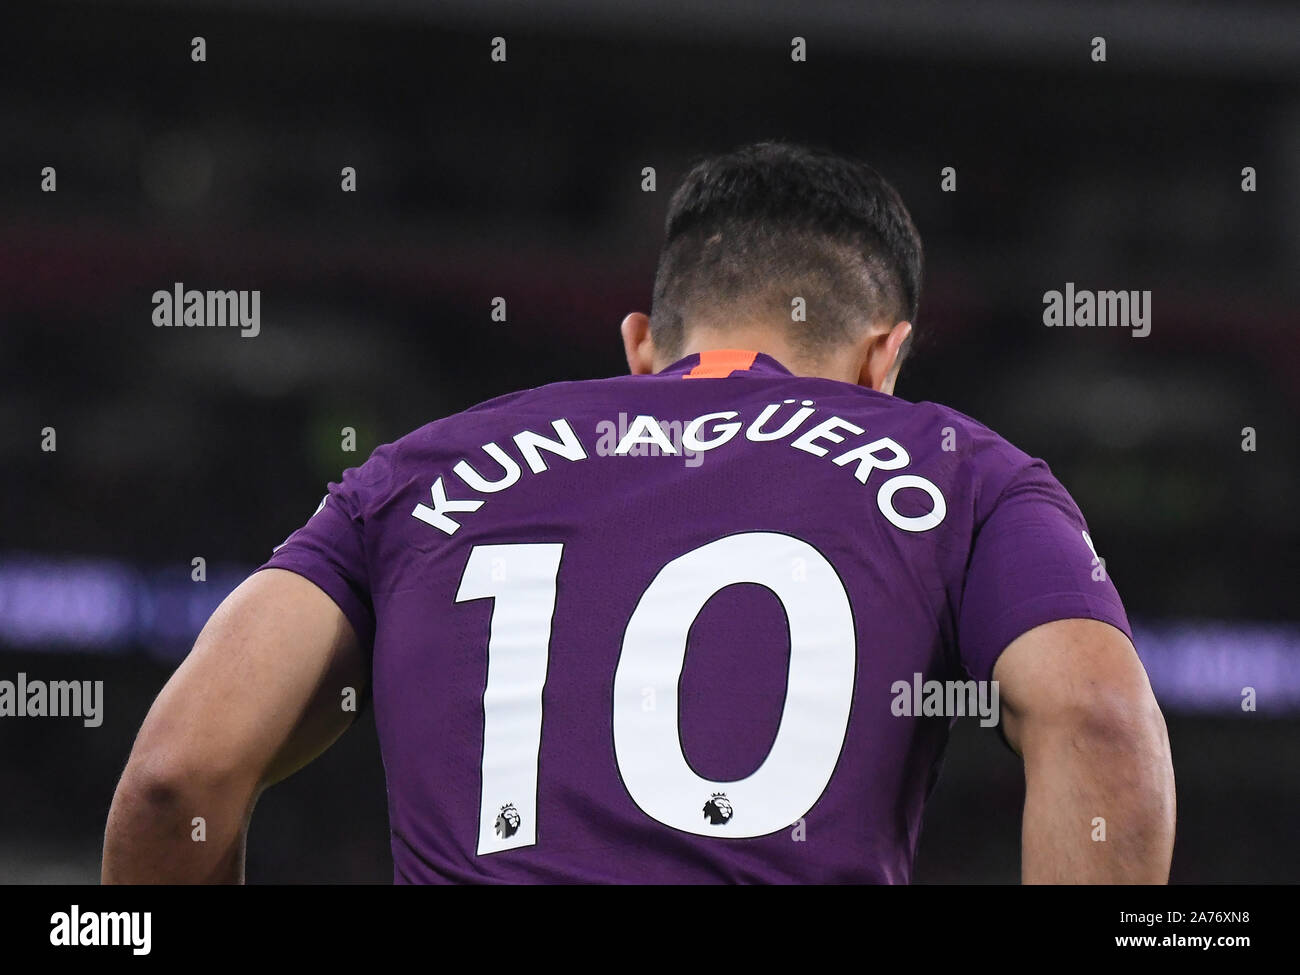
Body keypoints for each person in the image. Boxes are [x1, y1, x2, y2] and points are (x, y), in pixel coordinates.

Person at [103, 142, 1175, 884]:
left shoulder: (417, 473)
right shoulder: (961, 472)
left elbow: (172, 775)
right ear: (883, 356)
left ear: (639, 346)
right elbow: (1097, 722)